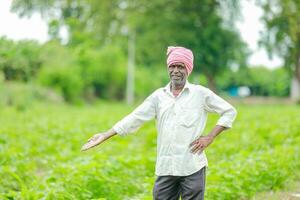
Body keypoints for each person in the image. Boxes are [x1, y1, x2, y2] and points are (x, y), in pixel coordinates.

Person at [82, 46, 237, 200]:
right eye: (172, 66)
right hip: (166, 168)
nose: (176, 70)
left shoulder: (200, 94)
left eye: (180, 66)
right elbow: (135, 117)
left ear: (188, 69)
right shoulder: (158, 97)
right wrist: (105, 135)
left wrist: (210, 137)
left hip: (192, 166)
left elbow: (229, 111)